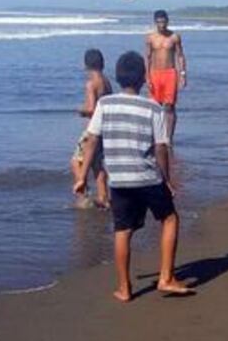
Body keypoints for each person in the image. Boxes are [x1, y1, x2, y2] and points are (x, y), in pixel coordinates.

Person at [74, 51, 193, 301]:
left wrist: (83, 176)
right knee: (169, 219)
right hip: (147, 176)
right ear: (143, 78)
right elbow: (161, 147)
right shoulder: (152, 107)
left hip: (119, 178)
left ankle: (125, 288)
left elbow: (93, 139)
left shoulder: (106, 105)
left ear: (117, 78)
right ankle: (166, 277)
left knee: (123, 230)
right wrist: (167, 179)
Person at [71, 48, 113, 208]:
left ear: (86, 65)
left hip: (92, 130)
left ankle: (84, 194)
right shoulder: (106, 82)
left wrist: (81, 111)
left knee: (75, 162)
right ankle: (104, 197)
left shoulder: (91, 84)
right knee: (97, 165)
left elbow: (91, 108)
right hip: (104, 129)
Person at [144, 10, 187, 144]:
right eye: (158, 22)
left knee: (169, 106)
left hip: (170, 73)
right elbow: (147, 57)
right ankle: (155, 136)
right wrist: (147, 77)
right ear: (155, 22)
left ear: (167, 21)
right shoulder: (150, 38)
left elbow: (180, 56)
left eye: (163, 22)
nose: (161, 25)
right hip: (155, 73)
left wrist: (183, 74)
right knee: (154, 107)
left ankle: (169, 138)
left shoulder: (174, 37)